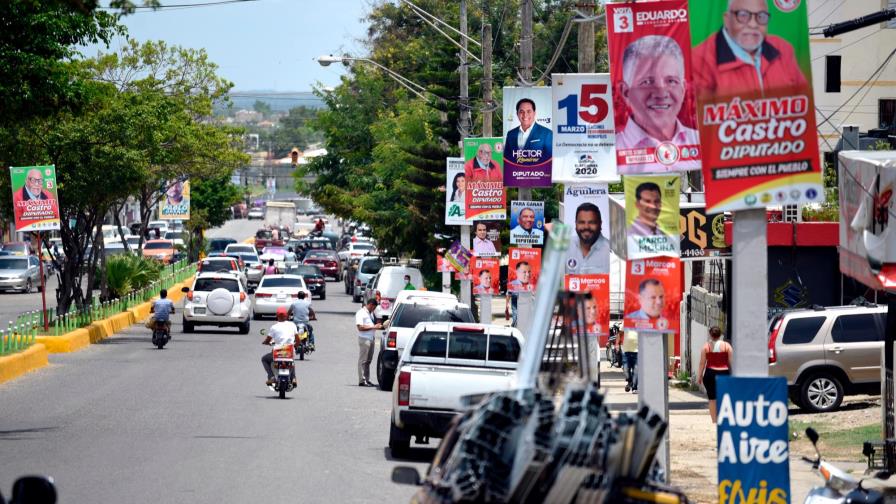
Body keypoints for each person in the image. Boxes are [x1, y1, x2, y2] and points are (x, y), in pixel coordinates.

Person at [691, 0, 808, 98]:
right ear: (727, 19)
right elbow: (702, 117)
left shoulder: (782, 49)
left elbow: (803, 100)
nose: (753, 24)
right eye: (743, 15)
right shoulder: (701, 59)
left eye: (761, 16)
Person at [616, 35, 699, 172]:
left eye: (671, 81)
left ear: (683, 89)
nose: (661, 93)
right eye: (647, 82)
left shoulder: (702, 144)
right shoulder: (613, 150)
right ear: (625, 92)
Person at [698, 326, 733, 423]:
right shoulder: (727, 346)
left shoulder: (706, 346)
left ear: (710, 334)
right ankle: (723, 418)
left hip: (710, 374)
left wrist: (699, 376)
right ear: (720, 334)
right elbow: (731, 362)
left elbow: (702, 363)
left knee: (712, 399)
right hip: (724, 374)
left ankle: (714, 420)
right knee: (723, 398)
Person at [503, 98, 553, 167]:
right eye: (521, 111)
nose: (525, 115)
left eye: (528, 111)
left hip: (538, 175)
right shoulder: (511, 134)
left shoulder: (547, 133)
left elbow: (550, 161)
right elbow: (507, 160)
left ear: (534, 113)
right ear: (517, 114)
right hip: (516, 175)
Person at [565, 203, 610, 274]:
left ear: (600, 224)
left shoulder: (611, 252)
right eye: (581, 222)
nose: (586, 227)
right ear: (575, 224)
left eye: (591, 222)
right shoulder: (565, 247)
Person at [261, 306, 298, 387]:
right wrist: (295, 346)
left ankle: (271, 377)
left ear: (277, 316)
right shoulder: (292, 325)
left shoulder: (274, 327)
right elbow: (298, 339)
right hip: (289, 351)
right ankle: (294, 378)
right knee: (291, 361)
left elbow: (268, 340)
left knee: (264, 359)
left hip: (278, 353)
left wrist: (265, 342)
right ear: (286, 316)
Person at [356, 299, 383, 387]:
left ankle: (367, 379)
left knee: (368, 361)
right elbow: (360, 327)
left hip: (371, 338)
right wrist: (373, 326)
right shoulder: (361, 313)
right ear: (371, 304)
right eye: (374, 307)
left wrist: (379, 326)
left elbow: (372, 325)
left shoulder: (370, 313)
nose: (374, 309)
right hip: (364, 339)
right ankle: (362, 380)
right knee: (363, 360)